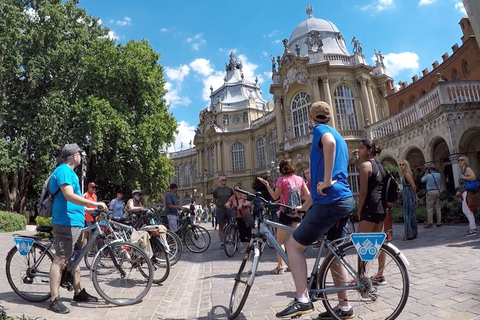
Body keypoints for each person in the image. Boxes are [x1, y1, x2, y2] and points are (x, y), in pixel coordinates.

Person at [276, 101, 354, 319]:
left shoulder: (322, 131)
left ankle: (302, 299)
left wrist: (327, 180)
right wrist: (305, 206)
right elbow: (322, 178)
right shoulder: (338, 134)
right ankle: (345, 306)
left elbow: (328, 146)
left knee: (293, 246)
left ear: (311, 119)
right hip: (343, 200)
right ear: (330, 116)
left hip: (331, 202)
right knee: (334, 254)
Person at [48, 143, 107, 314]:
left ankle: (79, 292)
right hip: (65, 222)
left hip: (75, 222)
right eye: (80, 154)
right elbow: (68, 195)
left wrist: (88, 209)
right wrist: (94, 202)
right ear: (74, 156)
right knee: (60, 259)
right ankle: (54, 300)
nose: (81, 156)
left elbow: (74, 201)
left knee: (75, 259)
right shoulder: (63, 171)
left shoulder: (71, 173)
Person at [257, 158, 309, 275]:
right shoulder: (300, 179)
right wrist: (298, 199)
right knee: (297, 241)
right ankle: (295, 265)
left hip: (285, 214)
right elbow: (307, 195)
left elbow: (275, 197)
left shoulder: (281, 180)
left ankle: (281, 266)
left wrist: (267, 185)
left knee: (279, 241)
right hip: (297, 212)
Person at [356, 139, 387, 285]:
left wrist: (359, 209)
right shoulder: (381, 166)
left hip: (369, 206)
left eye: (361, 148)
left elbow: (363, 192)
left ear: (369, 150)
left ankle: (361, 276)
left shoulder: (365, 166)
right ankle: (380, 274)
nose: (358, 150)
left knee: (363, 242)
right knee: (379, 242)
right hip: (381, 206)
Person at [227, 184, 252, 253]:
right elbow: (228, 202)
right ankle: (247, 248)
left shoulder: (244, 196)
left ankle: (250, 248)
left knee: (248, 234)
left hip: (246, 216)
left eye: (238, 189)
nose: (237, 191)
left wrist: (242, 205)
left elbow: (249, 203)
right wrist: (227, 205)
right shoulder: (233, 197)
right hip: (238, 217)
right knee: (242, 234)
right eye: (235, 190)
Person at [458, 155, 478, 236]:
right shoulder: (463, 170)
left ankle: (473, 229)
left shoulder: (467, 169)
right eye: (459, 160)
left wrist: (464, 177)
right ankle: (473, 228)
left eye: (462, 160)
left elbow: (473, 177)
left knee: (467, 210)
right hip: (465, 192)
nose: (460, 161)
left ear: (465, 161)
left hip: (469, 191)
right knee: (467, 210)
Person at [212, 176, 234, 249]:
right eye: (223, 180)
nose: (224, 181)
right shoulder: (216, 191)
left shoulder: (229, 190)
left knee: (232, 224)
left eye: (225, 180)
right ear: (220, 181)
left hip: (228, 209)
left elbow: (232, 198)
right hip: (220, 209)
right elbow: (214, 200)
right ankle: (222, 242)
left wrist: (229, 204)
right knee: (220, 226)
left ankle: (232, 238)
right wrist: (219, 205)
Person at [399, 159, 418, 240]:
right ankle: (412, 233)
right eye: (400, 164)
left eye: (403, 164)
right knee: (409, 213)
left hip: (409, 194)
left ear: (406, 165)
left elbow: (413, 185)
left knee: (408, 214)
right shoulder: (404, 174)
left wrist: (415, 195)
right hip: (406, 193)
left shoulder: (407, 174)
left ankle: (409, 234)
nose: (401, 166)